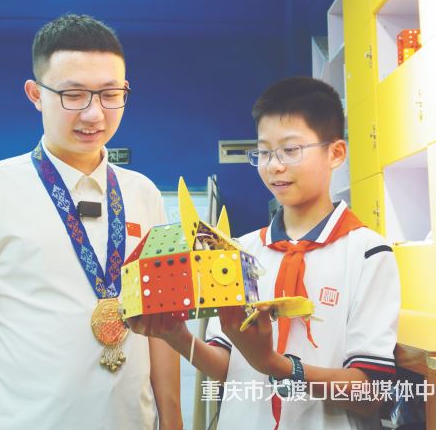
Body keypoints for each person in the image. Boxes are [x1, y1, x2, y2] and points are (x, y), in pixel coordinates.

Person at [0, 14, 182, 430]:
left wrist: (173, 420)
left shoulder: (144, 194)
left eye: (110, 94)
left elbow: (161, 323)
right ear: (36, 94)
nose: (94, 114)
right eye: (73, 95)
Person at [128, 77, 400, 430]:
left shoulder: (368, 253)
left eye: (290, 150)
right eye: (264, 152)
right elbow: (227, 367)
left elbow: (372, 392)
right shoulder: (236, 251)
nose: (274, 166)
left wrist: (275, 365)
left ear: (335, 153)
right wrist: (175, 334)